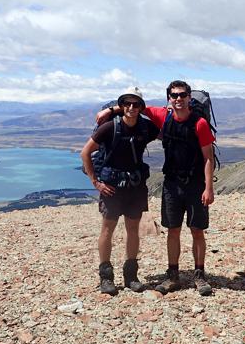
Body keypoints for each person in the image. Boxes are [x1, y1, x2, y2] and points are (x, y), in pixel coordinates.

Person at [97, 80, 215, 296]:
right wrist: (111, 109)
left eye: (182, 95)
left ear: (189, 97)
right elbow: (135, 107)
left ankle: (199, 275)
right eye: (174, 95)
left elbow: (209, 157)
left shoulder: (200, 124)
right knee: (173, 230)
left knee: (197, 230)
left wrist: (209, 188)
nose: (178, 99)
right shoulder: (162, 115)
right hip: (171, 183)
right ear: (168, 98)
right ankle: (173, 276)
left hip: (195, 183)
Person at [81, 87, 160, 295]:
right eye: (127, 103)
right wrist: (96, 182)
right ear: (122, 105)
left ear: (141, 107)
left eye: (136, 104)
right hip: (112, 188)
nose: (131, 108)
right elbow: (85, 153)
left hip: (135, 187)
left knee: (133, 230)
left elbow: (166, 126)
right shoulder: (109, 127)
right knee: (108, 229)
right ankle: (106, 277)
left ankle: (131, 276)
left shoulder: (146, 128)